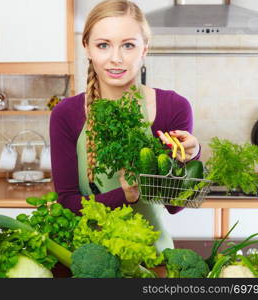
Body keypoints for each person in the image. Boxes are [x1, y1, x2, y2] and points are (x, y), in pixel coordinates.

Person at [49, 0, 200, 251]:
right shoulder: (66, 114)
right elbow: (68, 202)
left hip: (153, 256)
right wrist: (125, 195)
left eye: (128, 45)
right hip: (89, 255)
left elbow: (175, 205)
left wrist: (190, 157)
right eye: (103, 45)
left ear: (144, 49)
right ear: (87, 48)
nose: (116, 58)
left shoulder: (173, 107)